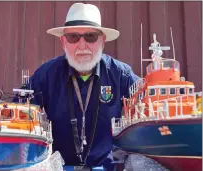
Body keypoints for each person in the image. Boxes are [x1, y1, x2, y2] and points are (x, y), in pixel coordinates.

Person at [14, 2, 139, 170]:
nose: (82, 45)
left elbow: (152, 99)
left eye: (90, 37)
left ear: (102, 41)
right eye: (73, 37)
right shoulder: (46, 74)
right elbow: (17, 111)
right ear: (63, 41)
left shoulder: (120, 74)